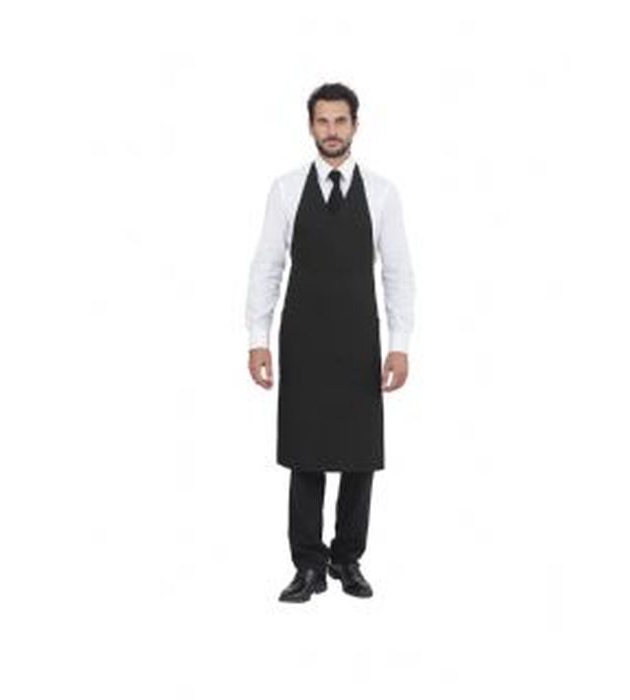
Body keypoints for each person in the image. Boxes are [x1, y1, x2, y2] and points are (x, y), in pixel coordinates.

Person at [245, 82, 415, 602]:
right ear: (311, 126)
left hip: (360, 340)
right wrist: (258, 338)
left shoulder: (382, 193)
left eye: (341, 121)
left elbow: (398, 272)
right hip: (302, 340)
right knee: (306, 454)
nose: (332, 131)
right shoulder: (285, 190)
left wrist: (400, 342)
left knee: (359, 456)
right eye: (323, 121)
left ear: (355, 125)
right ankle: (308, 566)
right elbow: (267, 266)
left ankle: (347, 559)